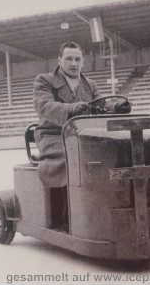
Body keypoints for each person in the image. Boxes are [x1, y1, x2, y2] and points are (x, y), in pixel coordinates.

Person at [33, 41, 131, 230]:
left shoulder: (90, 85)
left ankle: (103, 208)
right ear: (59, 60)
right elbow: (43, 105)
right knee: (75, 158)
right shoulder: (44, 80)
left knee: (111, 156)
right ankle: (67, 214)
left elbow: (100, 105)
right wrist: (71, 109)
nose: (74, 63)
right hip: (53, 135)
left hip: (84, 135)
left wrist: (116, 106)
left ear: (83, 62)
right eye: (69, 58)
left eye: (78, 59)